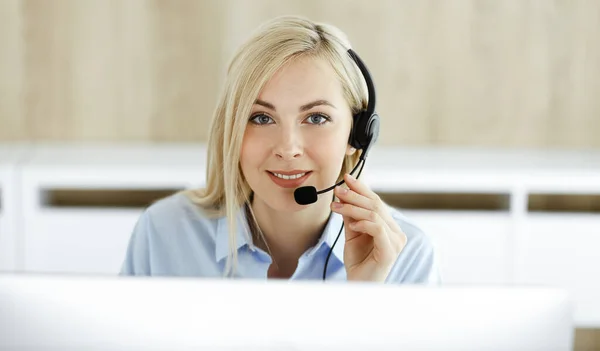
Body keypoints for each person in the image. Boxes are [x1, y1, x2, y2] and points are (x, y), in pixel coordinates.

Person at [119, 15, 440, 283]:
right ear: (231, 130)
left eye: (316, 118)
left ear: (356, 137)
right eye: (261, 117)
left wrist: (363, 299)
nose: (288, 148)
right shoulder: (165, 234)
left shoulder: (406, 258)